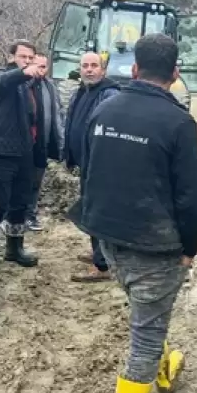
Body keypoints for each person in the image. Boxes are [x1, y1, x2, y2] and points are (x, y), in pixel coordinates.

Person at [67, 34, 197, 393]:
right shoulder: (179, 123)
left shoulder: (105, 108)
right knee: (145, 333)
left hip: (107, 235)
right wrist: (189, 246)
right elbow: (189, 196)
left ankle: (164, 370)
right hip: (153, 243)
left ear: (133, 69)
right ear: (176, 74)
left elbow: (88, 169)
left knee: (146, 310)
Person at [0, 40, 43, 272]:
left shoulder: (28, 85)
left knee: (20, 203)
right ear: (11, 57)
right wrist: (24, 72)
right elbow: (2, 81)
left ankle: (14, 249)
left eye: (30, 58)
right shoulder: (1, 77)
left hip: (24, 151)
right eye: (22, 57)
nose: (27, 62)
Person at [63, 51, 120, 282]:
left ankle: (103, 266)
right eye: (85, 65)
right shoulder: (84, 91)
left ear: (103, 70)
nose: (89, 69)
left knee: (97, 213)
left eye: (94, 65)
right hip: (86, 163)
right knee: (90, 210)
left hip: (98, 166)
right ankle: (99, 253)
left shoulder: (108, 93)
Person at [2, 52, 64, 232]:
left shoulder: (50, 87)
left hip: (42, 143)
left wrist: (59, 143)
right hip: (23, 144)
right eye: (37, 66)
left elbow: (57, 115)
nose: (40, 70)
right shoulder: (22, 86)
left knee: (36, 182)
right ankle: (13, 219)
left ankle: (30, 215)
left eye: (44, 67)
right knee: (20, 184)